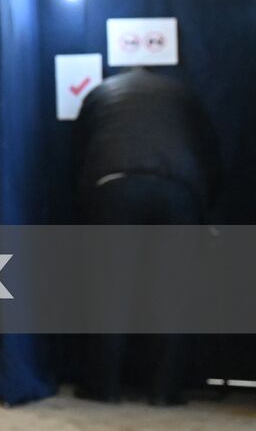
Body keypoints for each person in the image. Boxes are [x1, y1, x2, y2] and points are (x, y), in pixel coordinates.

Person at [72, 68, 221, 405]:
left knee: (109, 291)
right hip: (179, 189)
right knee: (173, 293)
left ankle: (103, 388)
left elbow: (78, 154)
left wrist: (86, 205)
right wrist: (204, 207)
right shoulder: (183, 95)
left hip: (114, 186)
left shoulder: (99, 92)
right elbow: (209, 151)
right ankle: (164, 391)